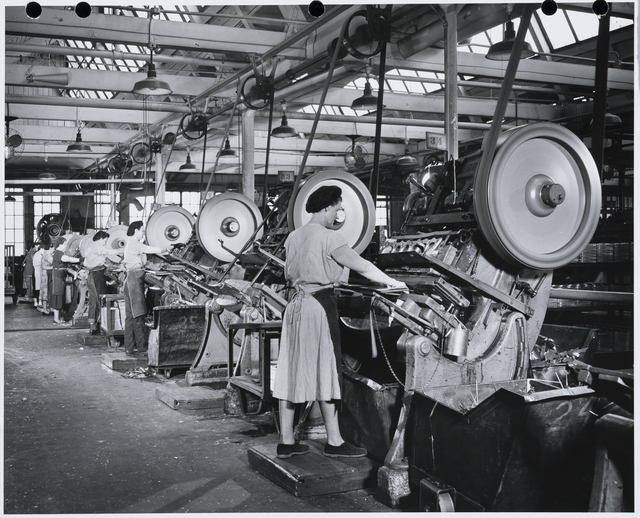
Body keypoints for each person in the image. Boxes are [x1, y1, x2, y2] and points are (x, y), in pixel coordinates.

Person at [272, 185, 407, 459]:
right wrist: (394, 283)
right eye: (337, 208)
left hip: (295, 306)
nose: (339, 214)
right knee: (328, 371)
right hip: (317, 308)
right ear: (326, 206)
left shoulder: (293, 236)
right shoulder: (329, 238)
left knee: (290, 371)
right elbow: (364, 267)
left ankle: (286, 441)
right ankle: (334, 441)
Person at [122, 221, 169, 357]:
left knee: (131, 316)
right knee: (139, 314)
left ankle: (129, 347)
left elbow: (145, 262)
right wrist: (169, 247)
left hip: (130, 279)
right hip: (134, 280)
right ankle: (142, 348)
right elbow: (155, 250)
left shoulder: (129, 243)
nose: (143, 233)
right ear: (136, 230)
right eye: (142, 231)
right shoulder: (135, 244)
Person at [83, 231, 124, 335]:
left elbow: (86, 262)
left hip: (92, 275)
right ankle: (102, 325)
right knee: (101, 300)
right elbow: (112, 253)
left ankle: (93, 325)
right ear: (101, 238)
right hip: (97, 276)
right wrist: (126, 249)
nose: (105, 243)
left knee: (93, 300)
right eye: (105, 240)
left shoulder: (90, 247)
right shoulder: (98, 247)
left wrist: (106, 266)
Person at [50, 237, 81, 325]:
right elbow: (66, 259)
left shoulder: (59, 253)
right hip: (57, 278)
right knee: (58, 297)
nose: (65, 246)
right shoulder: (58, 253)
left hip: (60, 277)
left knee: (61, 298)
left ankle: (58, 318)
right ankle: (56, 320)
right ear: (60, 244)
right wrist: (79, 260)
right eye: (64, 244)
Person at [40, 243, 53, 315]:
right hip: (46, 274)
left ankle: (47, 308)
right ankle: (45, 309)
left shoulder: (45, 254)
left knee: (46, 291)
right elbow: (54, 262)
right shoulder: (47, 254)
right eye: (53, 248)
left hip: (46, 273)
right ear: (50, 248)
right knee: (46, 291)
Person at [32, 244, 43, 308]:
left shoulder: (40, 254)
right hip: (37, 272)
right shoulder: (37, 255)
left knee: (39, 287)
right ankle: (36, 301)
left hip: (39, 272)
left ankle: (39, 301)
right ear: (41, 249)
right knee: (37, 287)